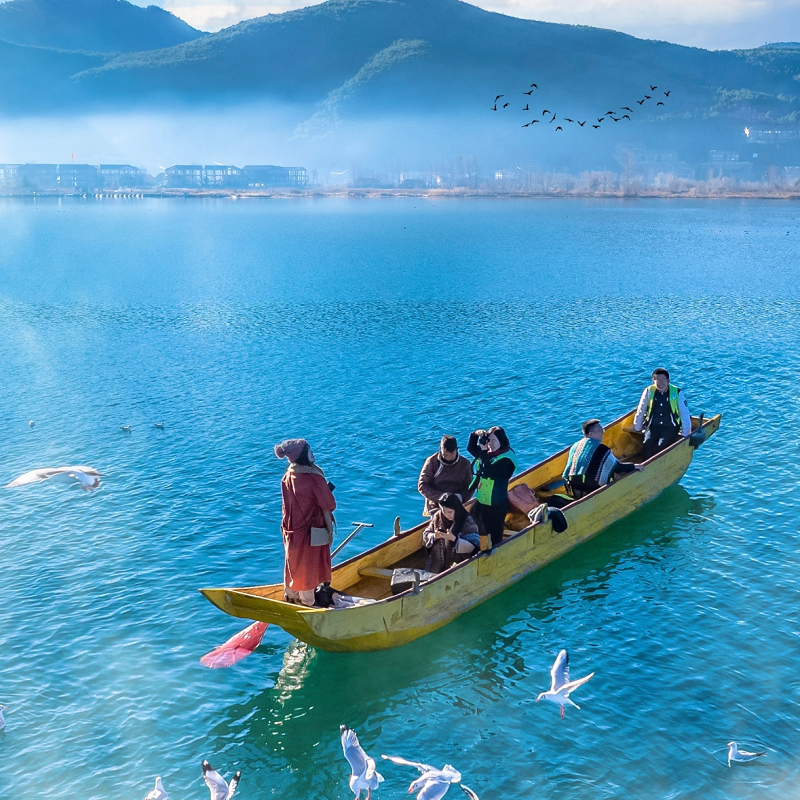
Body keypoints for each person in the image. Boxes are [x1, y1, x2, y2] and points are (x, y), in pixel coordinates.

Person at [274, 438, 336, 606]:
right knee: (309, 566)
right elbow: (329, 504)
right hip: (310, 531)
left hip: (291, 528)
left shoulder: (288, 475)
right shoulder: (312, 477)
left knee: (293, 563)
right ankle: (308, 603)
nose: (312, 454)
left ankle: (290, 596)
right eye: (309, 451)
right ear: (302, 455)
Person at [563, 419, 644, 499]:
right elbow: (617, 467)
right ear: (591, 434)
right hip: (589, 487)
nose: (603, 432)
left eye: (602, 430)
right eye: (600, 430)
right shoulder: (601, 448)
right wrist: (634, 466)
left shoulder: (575, 446)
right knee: (614, 473)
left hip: (574, 487)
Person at [467, 426, 518, 549]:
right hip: (481, 500)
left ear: (502, 441)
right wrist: (475, 435)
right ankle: (478, 548)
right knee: (473, 525)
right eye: (489, 440)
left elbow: (489, 471)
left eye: (494, 441)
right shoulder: (488, 453)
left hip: (496, 504)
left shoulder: (507, 460)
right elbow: (471, 448)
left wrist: (484, 452)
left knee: (495, 535)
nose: (490, 444)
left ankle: (497, 553)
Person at [633, 368, 691, 460]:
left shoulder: (677, 392)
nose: (660, 383)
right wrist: (637, 427)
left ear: (668, 381)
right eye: (657, 380)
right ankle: (645, 465)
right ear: (653, 381)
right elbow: (641, 410)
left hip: (670, 427)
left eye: (663, 380)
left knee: (661, 446)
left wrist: (685, 433)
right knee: (647, 444)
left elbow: (684, 413)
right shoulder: (648, 391)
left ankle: (657, 464)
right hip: (653, 426)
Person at [423, 492, 481, 572]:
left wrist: (454, 539)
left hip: (458, 566)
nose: (447, 515)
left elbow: (474, 545)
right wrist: (433, 536)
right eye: (444, 511)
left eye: (450, 512)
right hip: (436, 563)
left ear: (456, 509)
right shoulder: (438, 516)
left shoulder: (467, 521)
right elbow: (426, 533)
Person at [418, 435, 474, 517]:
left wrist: (460, 498)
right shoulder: (432, 462)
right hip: (436, 505)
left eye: (451, 454)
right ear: (440, 449)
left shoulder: (465, 464)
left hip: (458, 504)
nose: (448, 458)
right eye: (446, 454)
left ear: (457, 450)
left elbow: (470, 487)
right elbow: (422, 485)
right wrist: (443, 498)